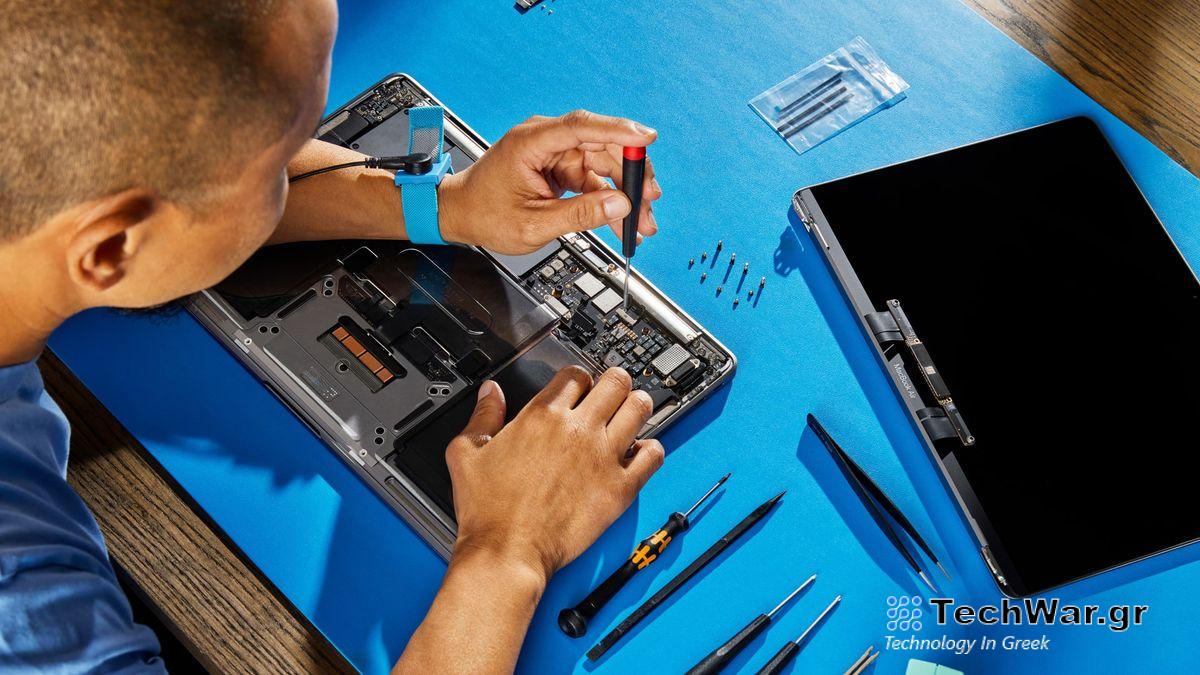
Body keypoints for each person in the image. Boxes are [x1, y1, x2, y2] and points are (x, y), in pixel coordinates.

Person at [0, 2, 666, 673]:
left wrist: (444, 202)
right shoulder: (21, 591)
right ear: (111, 247)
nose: (304, 163)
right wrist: (507, 551)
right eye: (276, 163)